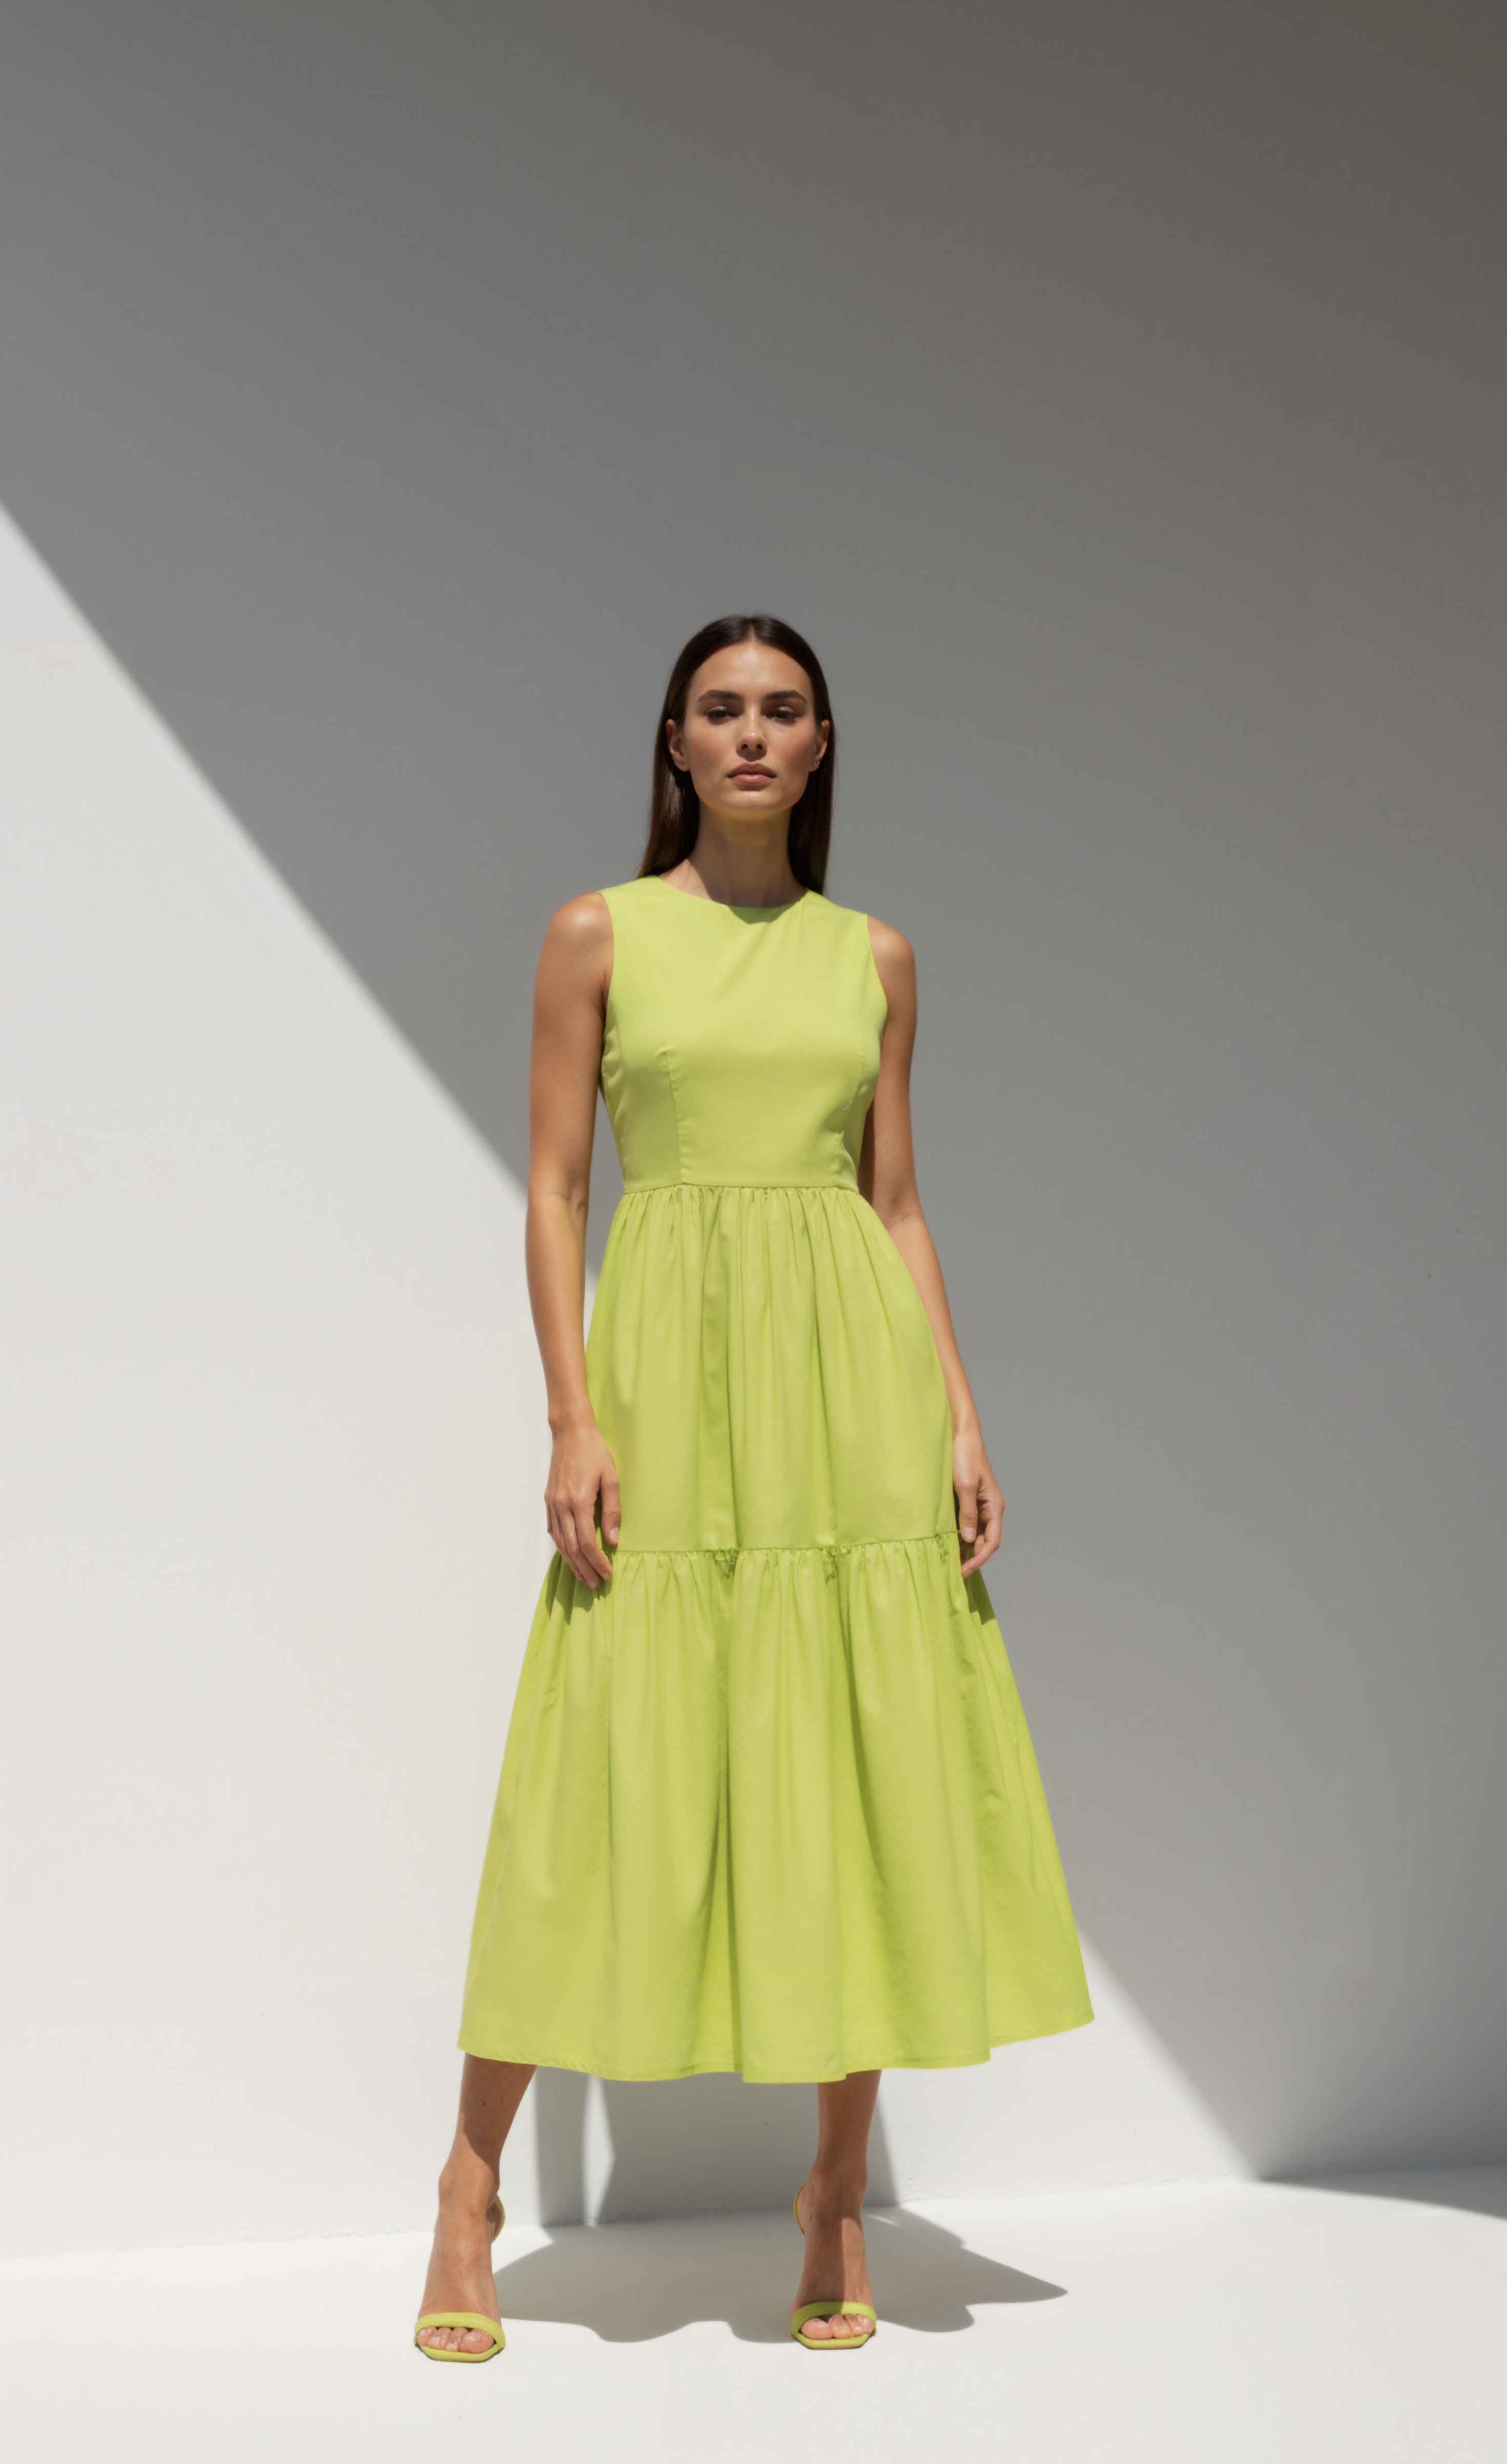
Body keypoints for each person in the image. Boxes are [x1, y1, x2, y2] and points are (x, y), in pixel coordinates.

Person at [413, 613, 1093, 2362]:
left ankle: (835, 2191)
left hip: (846, 1384)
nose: (751, 735)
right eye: (720, 709)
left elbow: (897, 1204)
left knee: (853, 1751)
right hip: (668, 1381)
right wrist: (572, 1416)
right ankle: (471, 2188)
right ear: (673, 741)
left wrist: (959, 1416)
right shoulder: (599, 935)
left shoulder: (876, 955)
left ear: (820, 744)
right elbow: (560, 1190)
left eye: (783, 710)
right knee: (598, 1761)